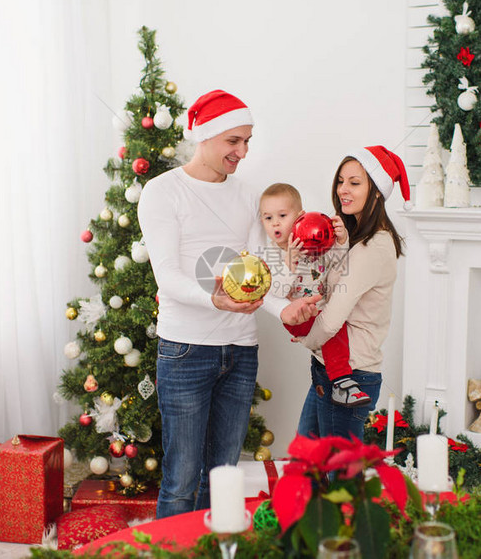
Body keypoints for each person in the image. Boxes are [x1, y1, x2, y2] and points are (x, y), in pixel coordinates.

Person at [137, 89, 320, 519]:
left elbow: (261, 276)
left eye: (247, 141)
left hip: (240, 353)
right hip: (185, 351)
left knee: (222, 477)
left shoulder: (246, 195)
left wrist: (283, 310)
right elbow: (168, 277)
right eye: (233, 141)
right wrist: (216, 300)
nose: (243, 151)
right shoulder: (163, 192)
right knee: (181, 478)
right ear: (206, 135)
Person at [294, 145, 408, 441]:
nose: (343, 189)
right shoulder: (357, 239)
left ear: (377, 192)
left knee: (340, 481)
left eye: (355, 183)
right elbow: (333, 287)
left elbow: (332, 319)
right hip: (329, 371)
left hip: (350, 377)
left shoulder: (373, 247)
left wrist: (305, 336)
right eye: (341, 181)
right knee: (308, 467)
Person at [258, 183, 371, 407]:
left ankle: (335, 377)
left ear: (300, 217)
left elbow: (337, 264)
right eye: (268, 218)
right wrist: (289, 263)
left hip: (319, 310)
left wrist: (341, 241)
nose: (275, 223)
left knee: (337, 325)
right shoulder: (271, 254)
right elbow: (277, 294)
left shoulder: (314, 243)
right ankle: (342, 382)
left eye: (282, 215)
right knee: (333, 332)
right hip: (297, 316)